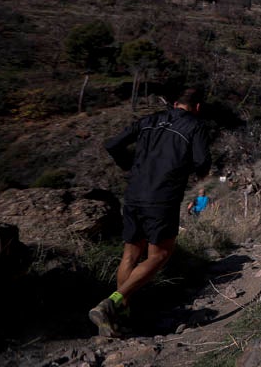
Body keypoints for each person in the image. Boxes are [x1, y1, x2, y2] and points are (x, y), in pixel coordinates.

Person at [89, 88, 211, 337]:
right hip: (162, 197)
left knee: (130, 254)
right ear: (197, 108)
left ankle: (119, 319)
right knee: (160, 254)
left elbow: (112, 144)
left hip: (134, 194)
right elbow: (202, 163)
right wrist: (185, 170)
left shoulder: (149, 120)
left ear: (175, 104)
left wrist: (128, 163)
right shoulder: (195, 126)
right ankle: (111, 303)